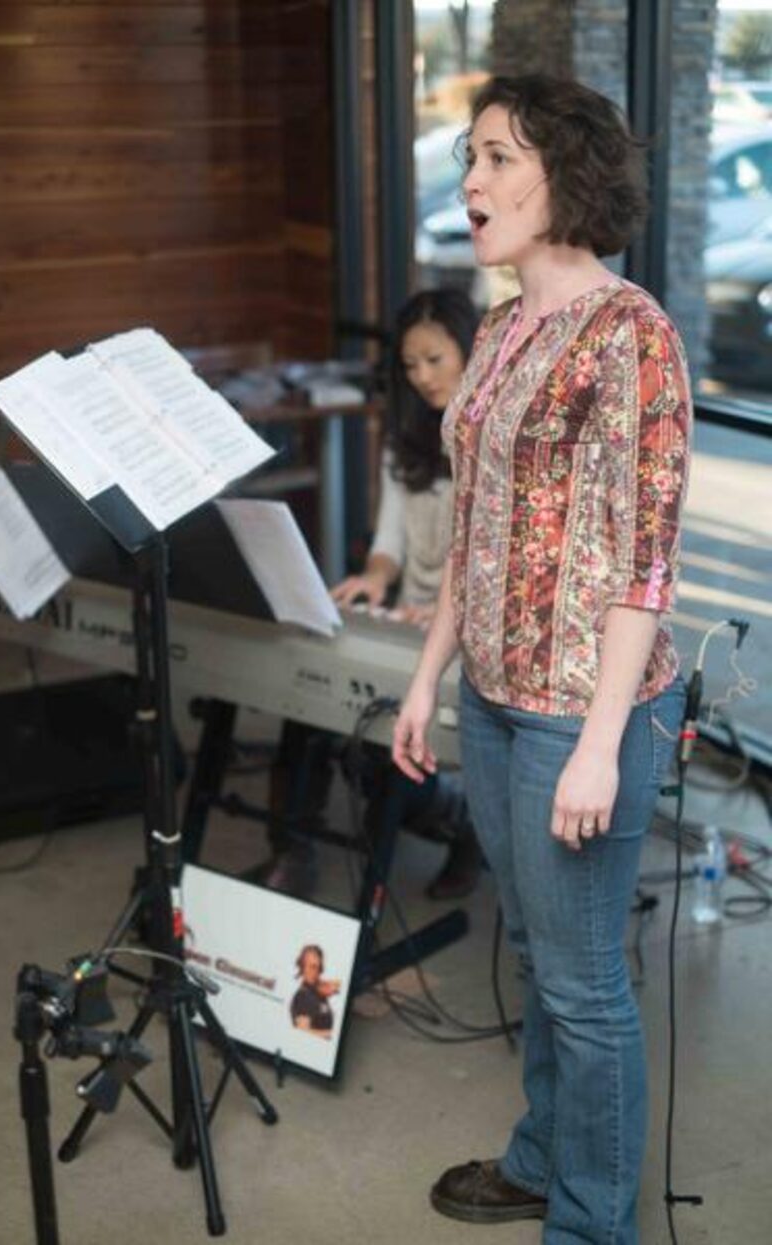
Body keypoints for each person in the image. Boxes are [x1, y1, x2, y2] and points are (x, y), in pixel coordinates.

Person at [392, 75, 691, 1245]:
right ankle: (539, 1157)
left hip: (582, 714)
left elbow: (644, 564)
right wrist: (425, 679)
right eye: (468, 158)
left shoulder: (633, 335)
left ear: (566, 173)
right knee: (531, 951)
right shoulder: (503, 323)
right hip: (493, 695)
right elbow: (474, 526)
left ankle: (590, 1224)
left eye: (497, 158)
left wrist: (602, 747)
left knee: (581, 988)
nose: (469, 182)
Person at [264, 289, 485, 902]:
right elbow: (388, 542)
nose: (422, 377)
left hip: (463, 630)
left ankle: (464, 825)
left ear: (470, 351)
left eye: (435, 360)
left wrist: (439, 611)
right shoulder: (406, 439)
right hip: (407, 618)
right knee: (306, 700)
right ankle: (293, 851)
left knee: (381, 752)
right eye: (410, 366)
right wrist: (375, 578)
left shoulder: (494, 436)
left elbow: (485, 559)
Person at [289, 944, 340, 1038]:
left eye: (318, 968)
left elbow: (337, 986)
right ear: (302, 967)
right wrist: (333, 1034)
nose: (316, 972)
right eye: (312, 967)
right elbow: (303, 1032)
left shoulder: (317, 992)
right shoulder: (302, 996)